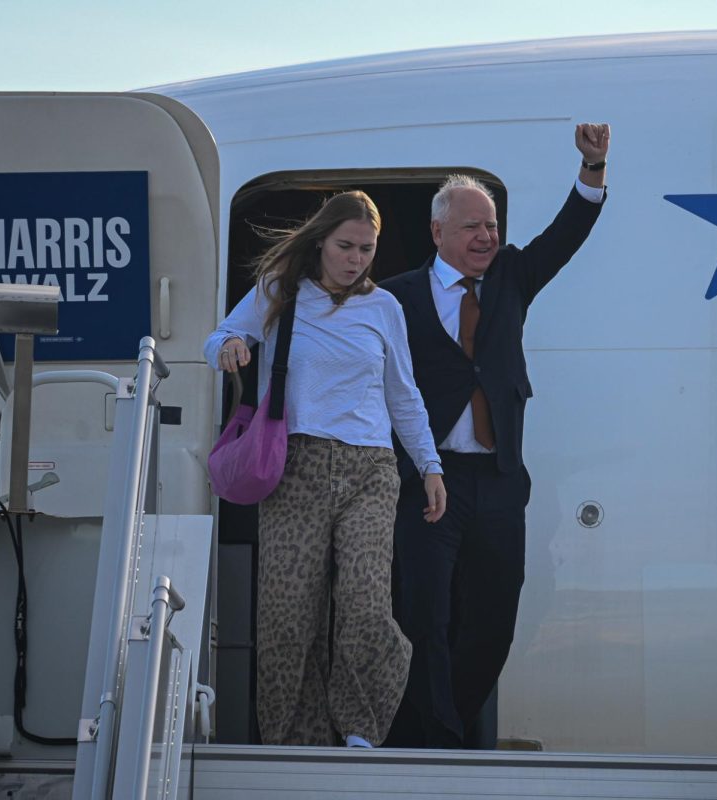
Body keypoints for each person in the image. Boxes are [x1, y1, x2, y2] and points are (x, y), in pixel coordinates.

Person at [383, 123, 610, 748]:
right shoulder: (395, 298)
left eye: (491, 226)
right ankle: (429, 741)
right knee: (422, 616)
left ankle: (443, 728)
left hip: (500, 480)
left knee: (495, 620)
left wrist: (592, 170)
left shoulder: (512, 277)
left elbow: (568, 234)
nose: (487, 236)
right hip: (431, 481)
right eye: (472, 227)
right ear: (437, 233)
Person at [203, 190, 447, 749]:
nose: (356, 258)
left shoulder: (385, 308)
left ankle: (362, 725)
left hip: (370, 469)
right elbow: (214, 338)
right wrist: (234, 346)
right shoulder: (279, 292)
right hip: (296, 464)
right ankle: (296, 742)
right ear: (321, 241)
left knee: (365, 603)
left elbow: (403, 395)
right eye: (346, 246)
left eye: (367, 248)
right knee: (289, 619)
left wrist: (429, 466)